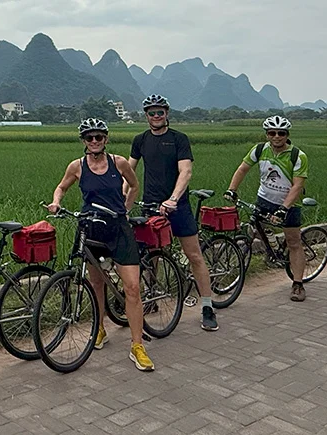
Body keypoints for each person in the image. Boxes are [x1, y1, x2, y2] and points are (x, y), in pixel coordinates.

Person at [47, 118, 155, 371]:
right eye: (89, 137)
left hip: (118, 228)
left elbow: (134, 186)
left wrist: (125, 209)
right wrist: (56, 202)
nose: (94, 141)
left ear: (106, 139)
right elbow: (61, 187)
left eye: (99, 137)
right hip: (91, 228)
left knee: (132, 287)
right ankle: (100, 328)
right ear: (83, 141)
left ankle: (137, 345)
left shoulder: (119, 163)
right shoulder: (77, 166)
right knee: (96, 283)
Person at [127, 94, 219, 331]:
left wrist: (173, 199)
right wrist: (121, 200)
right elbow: (129, 172)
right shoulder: (140, 140)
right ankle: (151, 296)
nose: (156, 116)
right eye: (152, 113)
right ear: (146, 116)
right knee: (151, 256)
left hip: (178, 206)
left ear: (167, 113)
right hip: (151, 205)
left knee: (194, 255)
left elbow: (185, 172)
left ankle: (207, 306)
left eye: (160, 112)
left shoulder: (179, 139)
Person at [225, 116, 308, 301]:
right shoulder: (260, 149)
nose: (276, 136)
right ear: (267, 135)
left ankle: (298, 284)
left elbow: (298, 186)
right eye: (272, 133)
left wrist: (284, 208)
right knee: (255, 228)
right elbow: (242, 169)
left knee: (293, 242)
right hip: (264, 199)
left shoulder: (298, 156)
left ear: (287, 135)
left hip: (289, 204)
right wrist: (232, 190)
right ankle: (272, 251)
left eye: (281, 133)